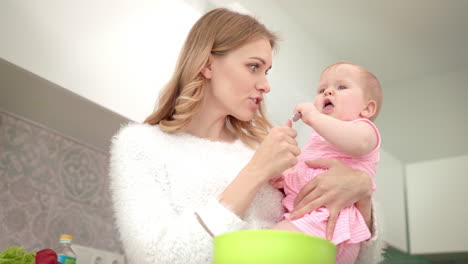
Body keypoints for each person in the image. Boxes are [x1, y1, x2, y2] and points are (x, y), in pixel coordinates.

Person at [109, 8, 384, 264]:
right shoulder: (140, 146)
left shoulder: (270, 149)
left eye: (267, 72)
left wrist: (363, 195)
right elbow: (155, 258)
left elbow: (353, 256)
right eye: (254, 67)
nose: (265, 85)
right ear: (207, 65)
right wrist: (255, 172)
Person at [271, 62, 383, 264]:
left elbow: (358, 143)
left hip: (331, 219)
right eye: (322, 89)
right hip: (313, 218)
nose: (328, 92)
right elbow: (309, 170)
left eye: (341, 87)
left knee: (267, 246)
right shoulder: (319, 138)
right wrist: (286, 177)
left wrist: (313, 117)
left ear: (367, 108)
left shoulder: (363, 129)